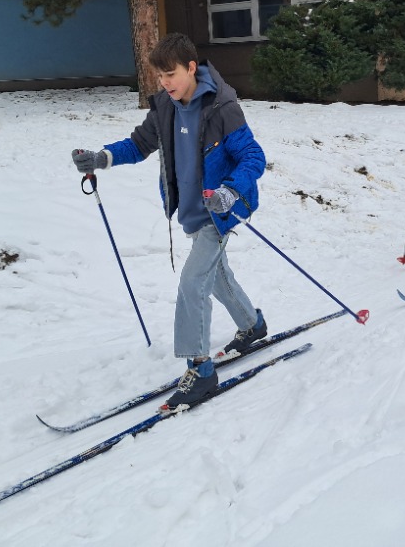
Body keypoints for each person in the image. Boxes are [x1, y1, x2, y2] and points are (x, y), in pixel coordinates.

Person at [71, 33, 267, 409]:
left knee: (193, 283)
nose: (164, 83)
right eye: (159, 76)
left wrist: (230, 191)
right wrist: (101, 157)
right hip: (190, 211)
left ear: (191, 68)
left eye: (170, 74)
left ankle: (201, 370)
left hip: (219, 211)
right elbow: (139, 144)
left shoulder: (222, 108)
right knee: (216, 276)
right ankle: (252, 324)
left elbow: (253, 157)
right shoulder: (165, 106)